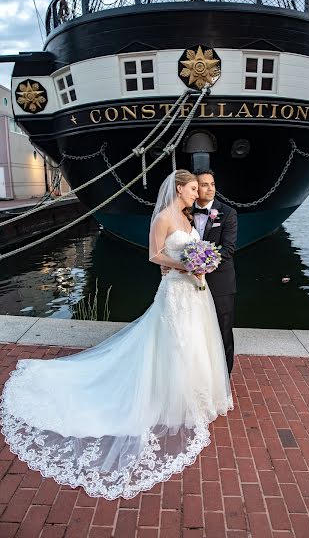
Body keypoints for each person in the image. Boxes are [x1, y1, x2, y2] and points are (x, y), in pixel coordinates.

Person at [0, 170, 233, 500]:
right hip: (175, 292)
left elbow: (192, 249)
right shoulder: (165, 218)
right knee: (174, 343)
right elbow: (154, 255)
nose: (198, 193)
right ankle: (171, 397)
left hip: (195, 291)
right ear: (179, 189)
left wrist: (201, 262)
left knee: (195, 341)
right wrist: (186, 265)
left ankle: (196, 395)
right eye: (193, 188)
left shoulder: (186, 217)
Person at [192, 170, 238, 376]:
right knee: (195, 330)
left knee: (223, 329)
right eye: (204, 185)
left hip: (220, 282)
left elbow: (228, 249)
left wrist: (201, 265)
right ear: (195, 188)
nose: (210, 189)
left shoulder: (227, 212)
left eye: (212, 184)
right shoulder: (184, 212)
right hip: (189, 283)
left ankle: (224, 377)